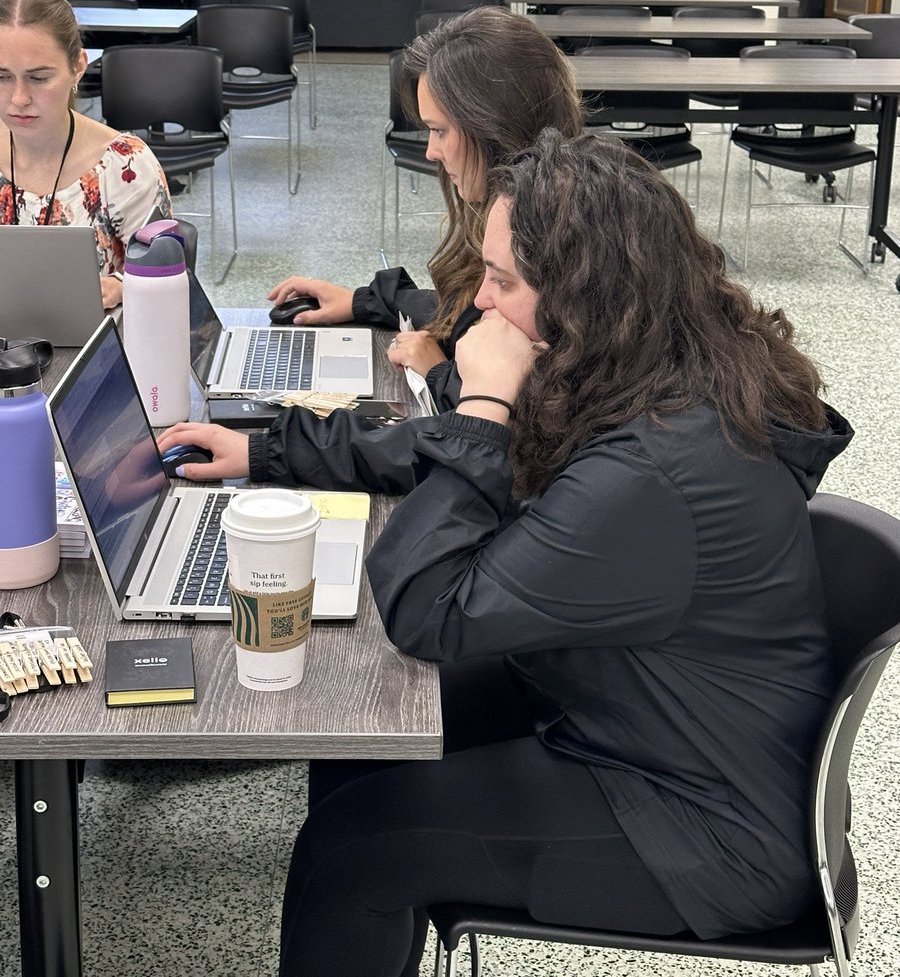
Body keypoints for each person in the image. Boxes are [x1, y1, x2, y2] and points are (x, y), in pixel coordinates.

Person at [160, 130, 852, 977]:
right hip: (635, 706)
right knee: (361, 732)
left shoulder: (653, 471)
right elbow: (486, 458)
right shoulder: (644, 366)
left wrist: (483, 397)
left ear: (586, 297)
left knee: (353, 847)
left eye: (503, 283)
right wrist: (274, 452)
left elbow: (426, 610)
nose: (481, 307)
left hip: (699, 825)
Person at [266, 5, 582, 410]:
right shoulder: (543, 203)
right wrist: (364, 301)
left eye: (440, 131)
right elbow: (470, 310)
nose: (431, 151)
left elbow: (520, 421)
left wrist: (439, 376)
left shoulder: (550, 247)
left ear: (495, 129)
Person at [0, 0, 172, 308]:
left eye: (39, 78)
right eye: (1, 76)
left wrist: (124, 287)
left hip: (96, 351)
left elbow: (166, 278)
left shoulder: (125, 165)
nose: (18, 98)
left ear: (78, 66)